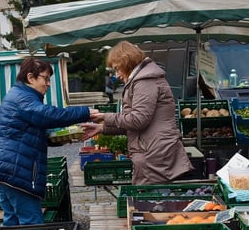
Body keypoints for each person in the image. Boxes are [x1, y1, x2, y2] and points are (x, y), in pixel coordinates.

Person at [0, 57, 102, 226]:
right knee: (31, 225)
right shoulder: (23, 98)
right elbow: (48, 115)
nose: (48, 84)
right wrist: (84, 112)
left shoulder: (19, 95)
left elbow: (29, 131)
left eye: (49, 79)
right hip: (15, 172)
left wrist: (60, 138)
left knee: (12, 223)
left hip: (4, 168)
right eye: (45, 78)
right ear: (31, 77)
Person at [81, 41, 194, 185]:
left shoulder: (145, 82)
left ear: (126, 62)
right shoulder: (140, 80)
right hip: (151, 151)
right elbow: (135, 123)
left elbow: (138, 120)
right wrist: (102, 128)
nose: (117, 75)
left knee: (150, 201)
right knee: (148, 201)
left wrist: (105, 117)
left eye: (117, 69)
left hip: (154, 154)